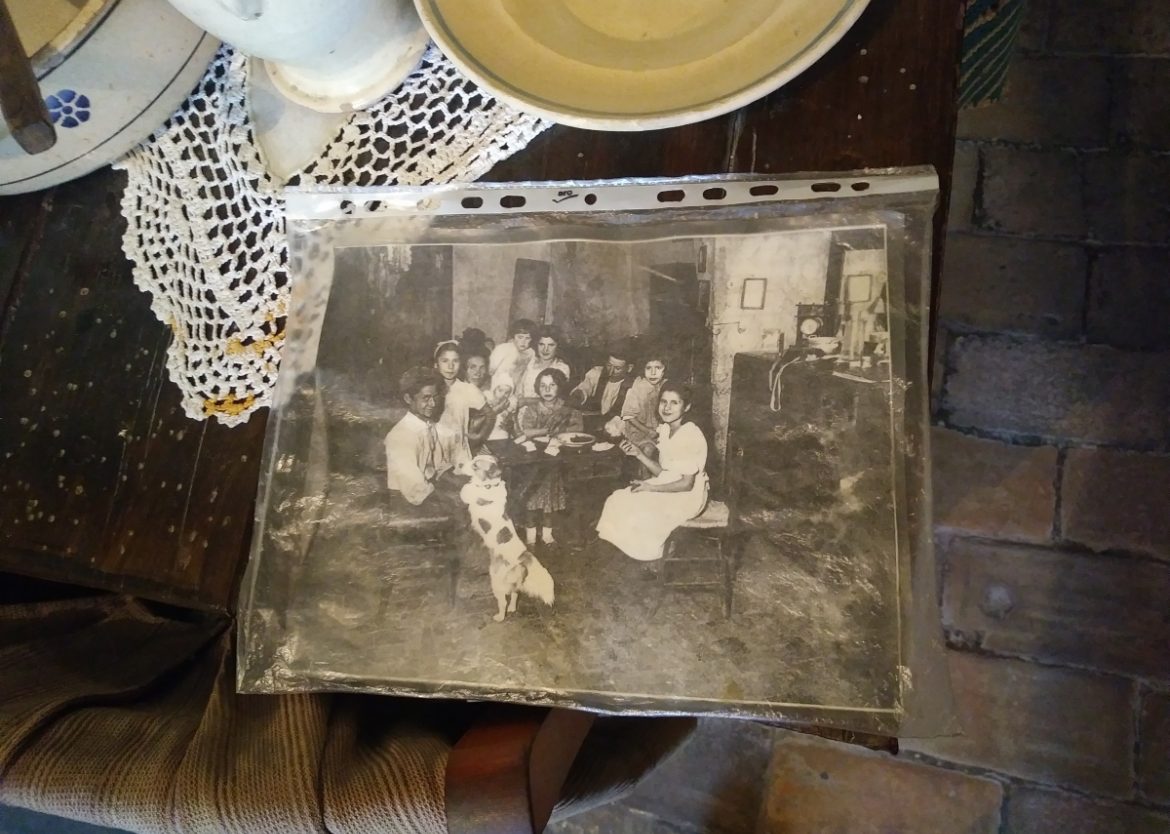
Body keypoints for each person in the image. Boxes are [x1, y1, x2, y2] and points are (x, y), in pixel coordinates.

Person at [596, 383, 709, 561]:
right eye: (663, 402)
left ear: (686, 407)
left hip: (689, 496)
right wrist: (638, 454)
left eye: (674, 403)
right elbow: (664, 472)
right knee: (618, 499)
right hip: (669, 485)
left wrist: (649, 487)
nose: (667, 407)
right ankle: (645, 554)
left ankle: (655, 556)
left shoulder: (691, 434)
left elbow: (686, 484)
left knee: (641, 509)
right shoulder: (665, 429)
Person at [513, 367, 582, 547]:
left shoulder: (567, 410)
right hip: (534, 463)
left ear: (559, 387)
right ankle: (530, 536)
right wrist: (548, 430)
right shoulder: (533, 409)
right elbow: (527, 431)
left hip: (556, 462)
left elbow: (578, 429)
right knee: (531, 499)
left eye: (552, 385)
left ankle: (547, 535)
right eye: (543, 386)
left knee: (550, 501)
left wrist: (559, 434)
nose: (547, 389)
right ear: (537, 388)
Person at [385, 366, 466, 507]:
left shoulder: (431, 427)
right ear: (408, 398)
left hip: (430, 493)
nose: (433, 404)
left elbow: (445, 466)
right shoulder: (400, 436)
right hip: (409, 504)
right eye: (426, 398)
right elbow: (415, 490)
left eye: (435, 397)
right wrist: (454, 499)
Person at [434, 340, 486, 461]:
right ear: (436, 364)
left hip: (458, 451)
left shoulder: (466, 389)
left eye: (455, 361)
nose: (450, 366)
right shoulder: (430, 390)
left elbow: (488, 414)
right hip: (435, 448)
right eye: (445, 361)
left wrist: (477, 434)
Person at [569, 341, 635, 427]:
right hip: (593, 425)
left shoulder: (634, 385)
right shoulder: (597, 373)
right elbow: (585, 386)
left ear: (629, 368)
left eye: (617, 368)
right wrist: (578, 395)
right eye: (609, 365)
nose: (611, 372)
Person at [615, 350, 668, 451]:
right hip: (639, 433)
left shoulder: (664, 385)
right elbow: (628, 416)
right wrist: (648, 431)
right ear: (643, 370)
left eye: (658, 368)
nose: (653, 373)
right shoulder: (638, 388)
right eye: (648, 368)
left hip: (658, 431)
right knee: (648, 449)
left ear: (664, 371)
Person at [519, 325, 572, 399]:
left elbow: (551, 399)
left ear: (558, 346)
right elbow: (519, 388)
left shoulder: (561, 368)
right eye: (541, 344)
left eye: (551, 345)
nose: (545, 349)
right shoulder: (531, 361)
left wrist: (524, 402)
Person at [488, 318, 536, 393]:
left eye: (527, 338)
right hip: (498, 388)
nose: (523, 342)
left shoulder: (531, 353)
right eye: (520, 337)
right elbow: (490, 370)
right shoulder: (503, 348)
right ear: (513, 336)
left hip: (516, 391)